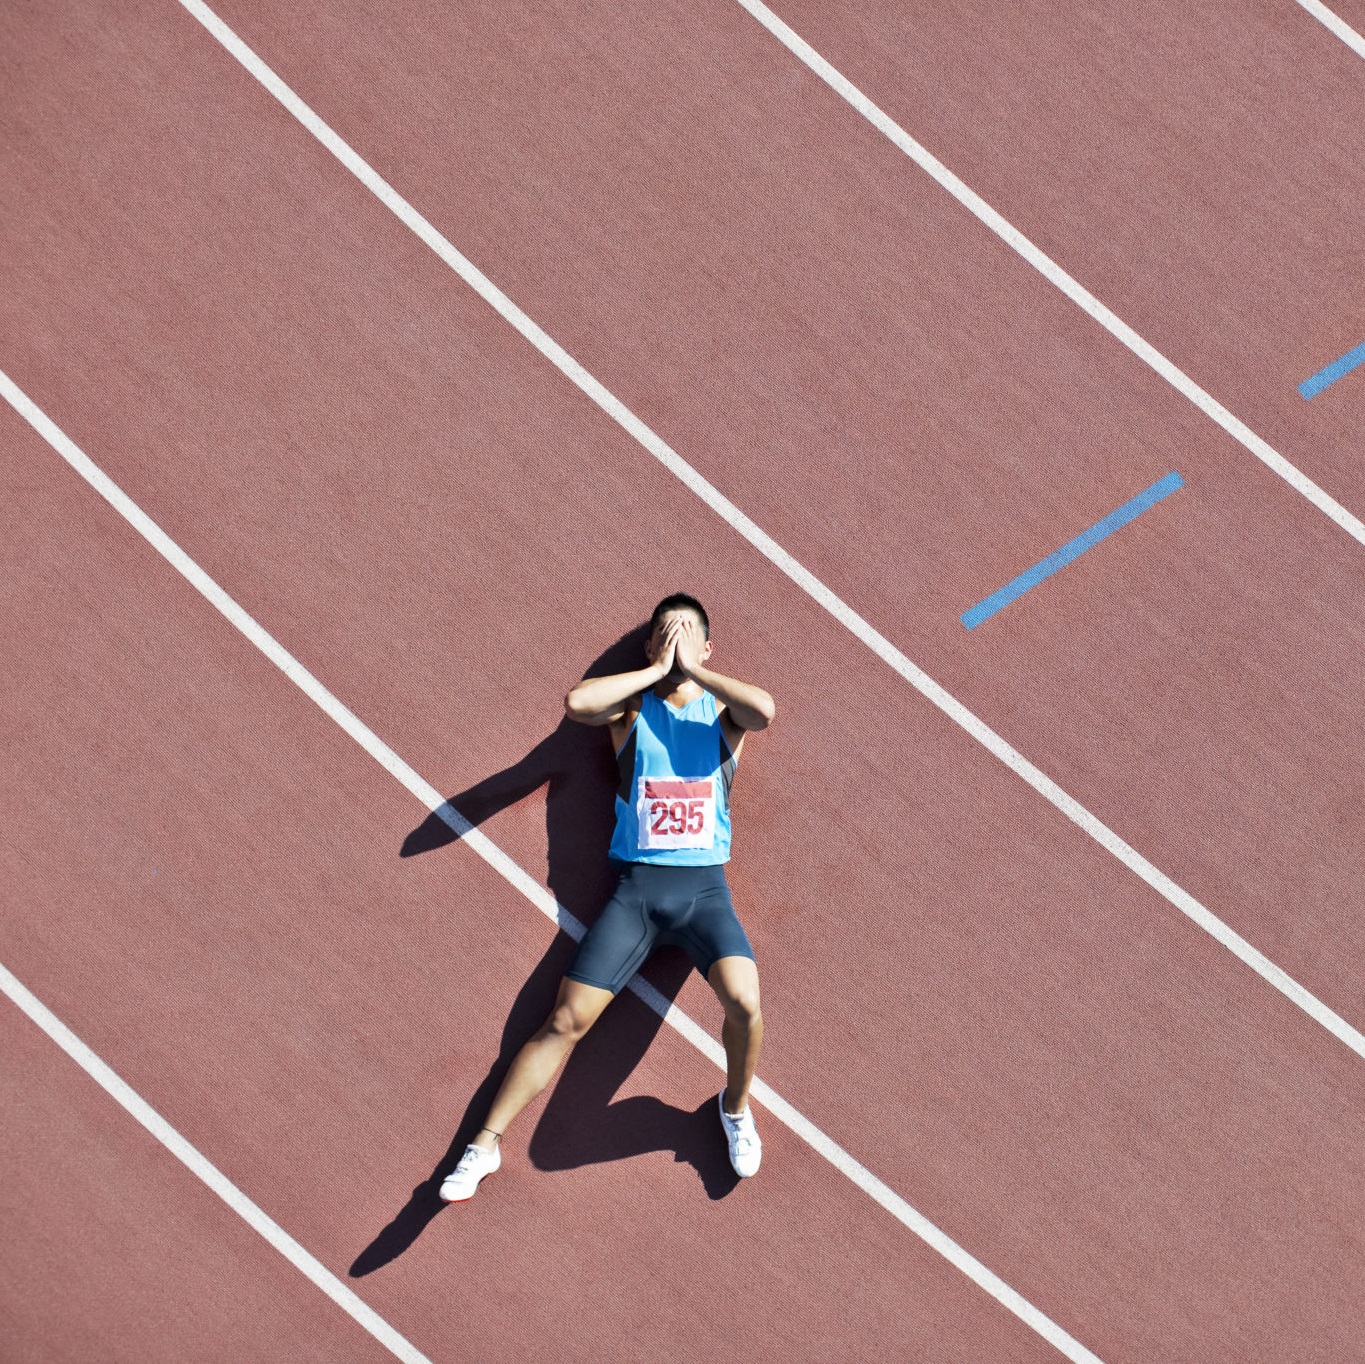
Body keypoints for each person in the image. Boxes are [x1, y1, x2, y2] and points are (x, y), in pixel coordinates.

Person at [440, 593, 776, 1201]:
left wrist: (693, 671)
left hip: (705, 893)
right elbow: (576, 703)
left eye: (688, 636)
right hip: (637, 896)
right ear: (650, 648)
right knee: (565, 1020)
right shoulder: (630, 712)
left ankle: (733, 1108)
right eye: (664, 638)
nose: (676, 647)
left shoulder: (722, 717)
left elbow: (765, 710)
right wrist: (656, 670)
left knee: (746, 1006)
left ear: (707, 647)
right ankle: (481, 1147)